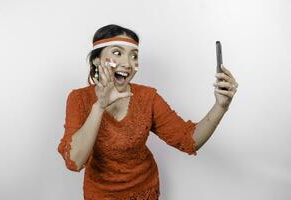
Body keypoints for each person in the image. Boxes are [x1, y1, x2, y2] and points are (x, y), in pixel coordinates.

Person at [57, 24, 238, 200]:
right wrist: (99, 106)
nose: (128, 63)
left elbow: (188, 140)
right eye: (117, 53)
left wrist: (220, 106)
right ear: (96, 59)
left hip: (144, 190)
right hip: (100, 193)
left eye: (134, 56)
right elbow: (74, 162)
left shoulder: (148, 97)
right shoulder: (78, 99)